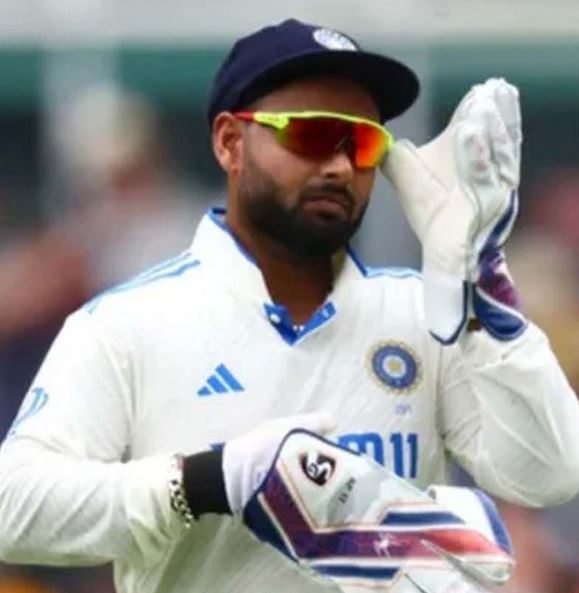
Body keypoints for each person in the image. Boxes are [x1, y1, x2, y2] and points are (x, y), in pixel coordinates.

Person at [0, 17, 578, 593]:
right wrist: (206, 481)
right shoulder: (126, 323)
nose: (340, 166)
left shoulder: (424, 313)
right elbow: (14, 509)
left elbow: (549, 473)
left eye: (362, 144)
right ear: (230, 143)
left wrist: (484, 284)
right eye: (310, 136)